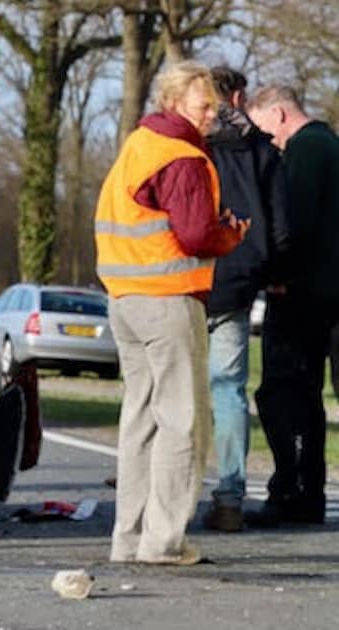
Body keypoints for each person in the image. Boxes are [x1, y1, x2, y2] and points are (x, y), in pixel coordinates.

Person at [94, 60, 246, 564]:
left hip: (125, 300)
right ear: (175, 102)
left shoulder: (138, 145)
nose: (210, 116)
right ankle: (164, 542)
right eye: (204, 106)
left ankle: (129, 538)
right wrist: (230, 235)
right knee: (183, 421)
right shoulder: (182, 157)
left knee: (140, 421)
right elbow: (197, 235)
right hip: (168, 298)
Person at [201, 67, 291, 532]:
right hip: (238, 281)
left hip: (190, 278)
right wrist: (272, 274)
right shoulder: (263, 151)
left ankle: (166, 491)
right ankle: (230, 496)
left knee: (174, 388)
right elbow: (279, 226)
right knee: (229, 390)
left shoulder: (192, 144)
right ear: (237, 96)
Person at [245, 85, 339, 526]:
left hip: (303, 294)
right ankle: (310, 493)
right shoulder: (330, 145)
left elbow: (291, 224)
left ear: (279, 114)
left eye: (265, 130)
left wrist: (272, 274)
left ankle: (295, 491)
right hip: (328, 292)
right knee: (315, 396)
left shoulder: (304, 151)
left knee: (287, 393)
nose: (268, 142)